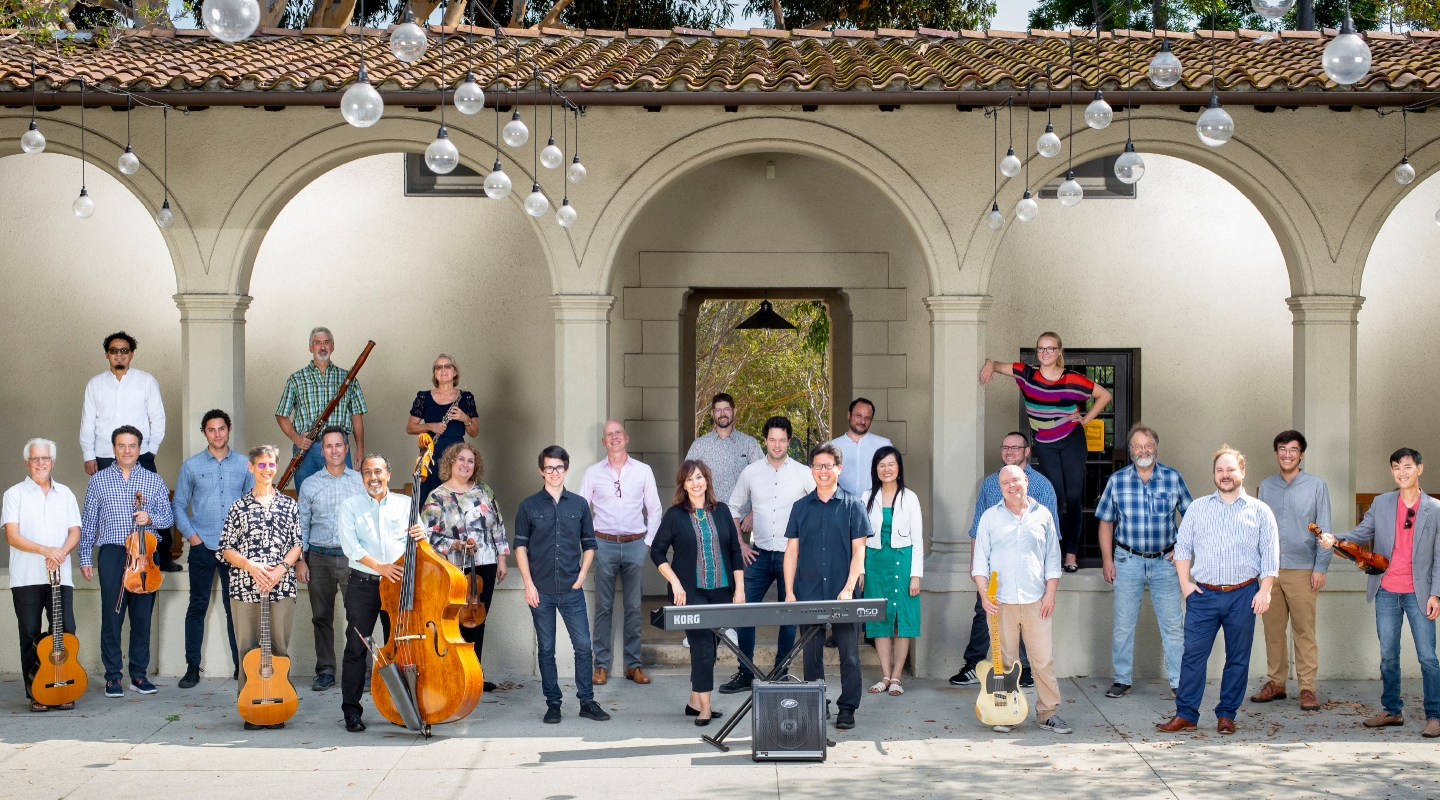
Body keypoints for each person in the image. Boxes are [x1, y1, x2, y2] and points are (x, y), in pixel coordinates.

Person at [1319, 448, 1440, 738]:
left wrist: (1436, 594)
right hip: (1386, 589)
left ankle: (1434, 715)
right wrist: (1336, 540)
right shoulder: (1382, 503)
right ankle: (1392, 711)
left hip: (1420, 593)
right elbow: (1362, 534)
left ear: (1419, 469)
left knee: (1427, 657)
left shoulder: (1434, 509)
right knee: (1388, 656)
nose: (1402, 472)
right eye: (1396, 467)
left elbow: (1439, 556)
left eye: (1407, 467)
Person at [1158, 446, 1278, 736]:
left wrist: (1265, 591)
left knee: (1237, 657)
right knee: (1193, 657)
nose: (1225, 475)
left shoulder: (1260, 511)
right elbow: (1183, 548)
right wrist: (1186, 585)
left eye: (1230, 470)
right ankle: (1186, 714)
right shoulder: (1198, 508)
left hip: (1243, 594)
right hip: (1204, 595)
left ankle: (1226, 714)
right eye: (1220, 470)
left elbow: (1270, 554)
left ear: (1242, 472)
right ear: (1214, 474)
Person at [979, 332, 1113, 572]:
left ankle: (1070, 555)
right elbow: (997, 364)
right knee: (1055, 497)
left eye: (1051, 348)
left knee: (1072, 498)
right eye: (1041, 348)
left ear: (1059, 351)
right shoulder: (1027, 373)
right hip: (1044, 441)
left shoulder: (1073, 379)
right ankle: (1054, 552)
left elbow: (1105, 395)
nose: (1045, 353)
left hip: (1072, 440)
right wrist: (989, 365)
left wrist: (1085, 419)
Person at [951, 431, 1058, 688]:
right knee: (984, 614)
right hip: (995, 572)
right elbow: (979, 525)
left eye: (1015, 447)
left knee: (1027, 622)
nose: (1009, 451)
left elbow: (1051, 536)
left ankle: (1026, 670)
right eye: (1005, 447)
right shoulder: (990, 483)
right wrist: (976, 565)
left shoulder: (1042, 485)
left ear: (1027, 451)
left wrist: (1049, 583)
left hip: (1031, 574)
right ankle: (974, 665)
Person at [718, 416, 815, 694]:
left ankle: (781, 672)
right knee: (745, 609)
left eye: (782, 440)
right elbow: (732, 508)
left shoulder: (802, 473)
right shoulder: (751, 472)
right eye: (772, 439)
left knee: (789, 612)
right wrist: (741, 544)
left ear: (789, 441)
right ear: (765, 440)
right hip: (757, 553)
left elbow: (817, 507)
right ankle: (746, 673)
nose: (777, 444)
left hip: (790, 554)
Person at [514, 445, 611, 724]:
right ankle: (553, 703)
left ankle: (587, 701)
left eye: (559, 467)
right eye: (549, 468)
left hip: (572, 590)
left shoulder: (579, 505)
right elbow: (520, 547)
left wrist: (582, 576)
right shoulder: (529, 505)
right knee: (546, 649)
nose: (554, 472)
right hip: (540, 590)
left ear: (566, 469)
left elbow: (589, 544)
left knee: (583, 646)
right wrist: (528, 585)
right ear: (541, 470)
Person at [1096, 425, 1193, 700]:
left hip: (1165, 562)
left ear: (1156, 446)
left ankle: (1178, 681)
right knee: (1123, 624)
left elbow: (1192, 517)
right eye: (1137, 446)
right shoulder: (1118, 480)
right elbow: (1106, 522)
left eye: (1148, 445)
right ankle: (1122, 679)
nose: (1143, 451)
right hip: (1127, 560)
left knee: (1173, 624)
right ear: (1131, 451)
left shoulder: (1173, 478)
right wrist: (1107, 560)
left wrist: (1183, 549)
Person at [971, 465, 1070, 734]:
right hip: (1000, 601)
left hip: (1037, 600)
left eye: (1015, 480)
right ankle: (1005, 713)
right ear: (1000, 487)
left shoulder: (1044, 515)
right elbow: (980, 563)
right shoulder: (990, 518)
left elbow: (1052, 559)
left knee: (1042, 660)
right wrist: (983, 595)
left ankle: (1047, 712)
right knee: (1003, 661)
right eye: (1005, 482)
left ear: (1026, 481)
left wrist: (1050, 594)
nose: (1011, 486)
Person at [78, 425, 175, 698]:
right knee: (112, 615)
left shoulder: (153, 481)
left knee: (142, 618)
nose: (127, 450)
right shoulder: (98, 481)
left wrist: (150, 518)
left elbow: (168, 519)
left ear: (139, 448)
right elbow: (89, 523)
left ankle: (138, 675)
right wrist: (85, 556)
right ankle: (112, 677)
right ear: (113, 449)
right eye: (121, 446)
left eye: (132, 445)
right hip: (113, 553)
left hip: (146, 555)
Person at [651, 460, 745, 725]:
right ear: (683, 484)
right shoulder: (675, 515)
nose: (696, 483)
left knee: (709, 648)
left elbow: (736, 551)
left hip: (721, 591)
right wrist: (676, 583)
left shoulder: (722, 511)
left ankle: (694, 701)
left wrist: (739, 588)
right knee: (702, 647)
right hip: (690, 593)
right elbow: (657, 551)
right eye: (690, 479)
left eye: (700, 477)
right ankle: (705, 707)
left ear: (707, 481)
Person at [335, 454, 425, 733]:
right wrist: (381, 567)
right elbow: (351, 547)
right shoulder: (350, 506)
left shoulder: (407, 504)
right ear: (361, 477)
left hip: (398, 584)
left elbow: (420, 543)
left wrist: (423, 535)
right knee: (356, 647)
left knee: (400, 646)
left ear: (388, 473)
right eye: (367, 473)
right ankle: (352, 710)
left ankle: (403, 707)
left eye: (378, 471)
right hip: (363, 584)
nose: (373, 477)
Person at [783, 443, 869, 730]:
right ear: (812, 469)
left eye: (828, 465)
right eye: (818, 465)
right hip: (807, 591)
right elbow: (792, 552)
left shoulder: (853, 505)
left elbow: (859, 551)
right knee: (811, 655)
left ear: (838, 468)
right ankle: (817, 702)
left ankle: (848, 708)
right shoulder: (800, 507)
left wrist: (848, 587)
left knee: (850, 654)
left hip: (842, 592)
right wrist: (790, 592)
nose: (823, 471)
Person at [217, 445, 303, 730]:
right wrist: (251, 566)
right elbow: (225, 549)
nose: (267, 470)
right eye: (261, 465)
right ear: (251, 468)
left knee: (278, 648)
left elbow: (297, 544)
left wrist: (280, 570)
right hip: (244, 587)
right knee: (247, 649)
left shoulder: (289, 505)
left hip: (280, 588)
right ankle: (250, 707)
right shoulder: (238, 507)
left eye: (271, 465)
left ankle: (278, 703)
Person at [80, 332, 175, 572]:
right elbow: (87, 421)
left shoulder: (146, 381)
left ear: (131, 354)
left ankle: (160, 557)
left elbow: (158, 417)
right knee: (106, 506)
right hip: (104, 453)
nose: (119, 354)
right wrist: (88, 454)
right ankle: (109, 558)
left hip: (140, 453)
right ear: (107, 355)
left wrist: (151, 449)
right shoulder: (95, 384)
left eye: (124, 350)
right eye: (114, 350)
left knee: (154, 503)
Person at [172, 409, 254, 688]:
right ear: (204, 432)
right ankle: (192, 667)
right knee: (197, 606)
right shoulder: (191, 466)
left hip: (235, 550)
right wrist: (192, 537)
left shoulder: (245, 464)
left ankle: (240, 668)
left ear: (229, 429)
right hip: (202, 546)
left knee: (236, 609)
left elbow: (252, 505)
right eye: (211, 429)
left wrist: (244, 541)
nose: (217, 434)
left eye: (221, 428)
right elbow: (179, 505)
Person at [1252, 430, 1332, 712]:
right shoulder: (1266, 486)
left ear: (1302, 454)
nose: (1287, 454)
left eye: (1293, 449)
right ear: (1276, 453)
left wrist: (1320, 567)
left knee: (1304, 631)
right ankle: (1276, 682)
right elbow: (1258, 530)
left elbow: (1324, 530)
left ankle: (1307, 688)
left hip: (1303, 570)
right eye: (1282, 449)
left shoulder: (1316, 486)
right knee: (1273, 630)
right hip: (1270, 571)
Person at [578, 420, 662, 686]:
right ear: (603, 442)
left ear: (626, 437)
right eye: (608, 435)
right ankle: (600, 666)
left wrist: (647, 543)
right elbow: (581, 512)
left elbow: (655, 510)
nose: (614, 437)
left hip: (636, 544)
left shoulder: (643, 471)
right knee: (603, 607)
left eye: (618, 433)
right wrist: (590, 544)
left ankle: (633, 666)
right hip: (603, 545)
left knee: (634, 608)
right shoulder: (592, 473)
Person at [421, 442, 508, 692]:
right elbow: (428, 535)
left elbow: (497, 526)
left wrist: (502, 558)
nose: (465, 465)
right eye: (461, 459)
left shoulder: (484, 491)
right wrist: (456, 544)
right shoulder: (437, 496)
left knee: (477, 620)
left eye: (470, 461)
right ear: (450, 462)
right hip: (453, 568)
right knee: (454, 622)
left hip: (485, 564)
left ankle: (474, 675)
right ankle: (452, 673)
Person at [4, 439, 81, 712]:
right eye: (35, 459)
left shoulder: (66, 494)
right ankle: (36, 692)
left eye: (45, 458)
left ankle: (64, 687)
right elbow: (12, 536)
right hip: (26, 577)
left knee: (65, 631)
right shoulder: (14, 494)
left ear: (53, 462)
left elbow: (75, 532)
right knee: (30, 634)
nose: (40, 463)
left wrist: (59, 553)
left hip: (61, 577)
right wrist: (45, 550)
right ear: (27, 463)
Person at [296, 426, 364, 692]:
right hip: (319, 558)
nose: (334, 451)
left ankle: (359, 669)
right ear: (322, 451)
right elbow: (301, 524)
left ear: (347, 449)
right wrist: (301, 560)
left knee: (358, 616)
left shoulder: (359, 481)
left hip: (352, 559)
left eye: (339, 445)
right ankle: (325, 670)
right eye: (328, 446)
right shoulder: (310, 484)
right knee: (321, 616)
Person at [860, 446, 923, 697]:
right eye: (881, 465)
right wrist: (861, 570)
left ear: (899, 468)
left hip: (903, 562)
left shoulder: (910, 498)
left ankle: (897, 676)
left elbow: (917, 539)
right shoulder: (866, 497)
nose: (887, 469)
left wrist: (916, 574)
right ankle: (885, 675)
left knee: (902, 620)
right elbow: (859, 538)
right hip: (874, 563)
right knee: (879, 619)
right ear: (875, 469)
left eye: (891, 464)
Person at [275, 327, 367, 492]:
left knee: (342, 495)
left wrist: (360, 449)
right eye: (317, 343)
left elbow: (356, 416)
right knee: (306, 496)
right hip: (307, 449)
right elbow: (281, 415)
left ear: (333, 346)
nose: (322, 347)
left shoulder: (347, 378)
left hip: (338, 447)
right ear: (311, 347)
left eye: (326, 343)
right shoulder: (296, 379)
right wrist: (296, 439)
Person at [406, 354, 478, 505]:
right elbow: (410, 428)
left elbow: (474, 432)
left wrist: (465, 418)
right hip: (431, 454)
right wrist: (430, 426)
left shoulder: (466, 398)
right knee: (428, 499)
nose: (443, 370)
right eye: (438, 367)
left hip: (457, 455)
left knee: (455, 500)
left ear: (455, 372)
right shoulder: (423, 397)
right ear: (434, 373)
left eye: (447, 366)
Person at [685, 393, 763, 506]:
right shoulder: (700, 445)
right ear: (712, 413)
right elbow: (687, 479)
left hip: (743, 518)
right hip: (710, 515)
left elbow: (761, 480)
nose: (722, 414)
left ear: (734, 411)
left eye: (726, 409)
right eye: (718, 410)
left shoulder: (749, 444)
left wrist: (751, 515)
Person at [827, 398, 892, 498]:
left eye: (867, 418)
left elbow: (892, 478)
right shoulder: (832, 446)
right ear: (849, 415)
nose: (862, 421)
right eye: (858, 415)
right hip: (841, 508)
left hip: (874, 508)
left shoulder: (883, 445)